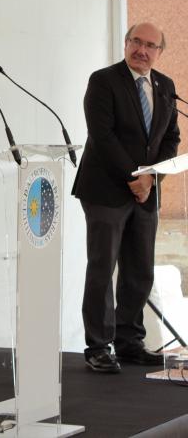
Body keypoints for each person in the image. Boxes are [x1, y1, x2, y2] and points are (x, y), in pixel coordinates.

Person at [72, 22, 180, 374]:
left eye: (151, 45)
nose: (142, 50)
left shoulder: (165, 86)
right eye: (136, 42)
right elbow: (102, 136)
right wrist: (134, 177)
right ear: (126, 42)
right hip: (106, 189)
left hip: (146, 192)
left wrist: (152, 177)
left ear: (160, 52)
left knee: (139, 270)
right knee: (103, 268)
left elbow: (170, 139)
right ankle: (98, 346)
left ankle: (129, 341)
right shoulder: (103, 81)